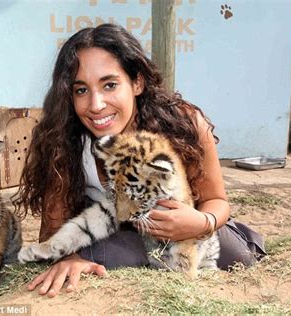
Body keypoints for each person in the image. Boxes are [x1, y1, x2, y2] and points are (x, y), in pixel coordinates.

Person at [13, 23, 265, 298]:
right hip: (117, 230)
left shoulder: (186, 124)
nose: (96, 105)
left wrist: (200, 223)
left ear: (137, 82)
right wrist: (68, 258)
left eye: (109, 85)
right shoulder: (65, 140)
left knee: (237, 257)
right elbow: (53, 229)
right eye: (81, 90)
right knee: (96, 255)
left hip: (189, 226)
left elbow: (217, 200)